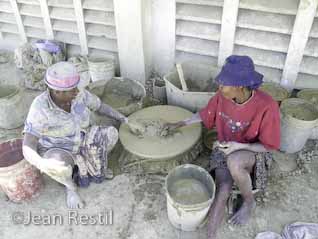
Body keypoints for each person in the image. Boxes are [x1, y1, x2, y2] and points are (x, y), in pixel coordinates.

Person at [165, 55, 280, 239]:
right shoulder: (222, 97)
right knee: (224, 188)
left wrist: (238, 146)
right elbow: (205, 115)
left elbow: (269, 146)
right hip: (225, 147)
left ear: (239, 86)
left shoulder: (267, 105)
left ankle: (249, 202)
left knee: (235, 161)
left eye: (224, 84)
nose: (219, 88)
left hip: (253, 152)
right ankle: (211, 235)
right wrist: (179, 123)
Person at [22, 62, 128, 209]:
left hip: (82, 138)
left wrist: (123, 118)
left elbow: (100, 106)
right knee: (59, 165)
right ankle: (70, 188)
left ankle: (93, 167)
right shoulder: (40, 108)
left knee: (111, 134)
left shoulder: (79, 94)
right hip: (59, 148)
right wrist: (42, 164)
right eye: (72, 89)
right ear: (57, 91)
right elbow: (28, 144)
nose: (77, 91)